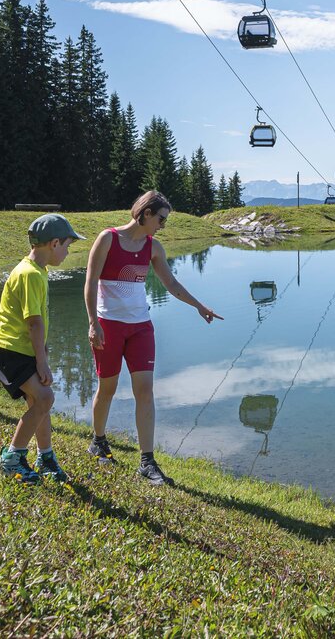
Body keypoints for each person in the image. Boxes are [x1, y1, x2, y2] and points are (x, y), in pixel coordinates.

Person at [83, 191, 223, 485]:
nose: (162, 225)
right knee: (106, 388)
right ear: (146, 213)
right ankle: (98, 440)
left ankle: (147, 461)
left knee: (144, 390)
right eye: (161, 219)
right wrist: (94, 323)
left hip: (141, 327)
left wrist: (200, 306)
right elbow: (90, 281)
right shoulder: (107, 238)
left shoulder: (153, 248)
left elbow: (170, 283)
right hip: (109, 325)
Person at [0, 214, 83, 484]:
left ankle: (45, 457)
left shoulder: (35, 270)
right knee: (45, 399)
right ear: (54, 243)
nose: (67, 252)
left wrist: (41, 354)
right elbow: (34, 322)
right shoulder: (30, 274)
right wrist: (41, 361)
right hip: (11, 352)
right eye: (67, 246)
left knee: (38, 402)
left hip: (22, 351)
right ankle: (11, 458)